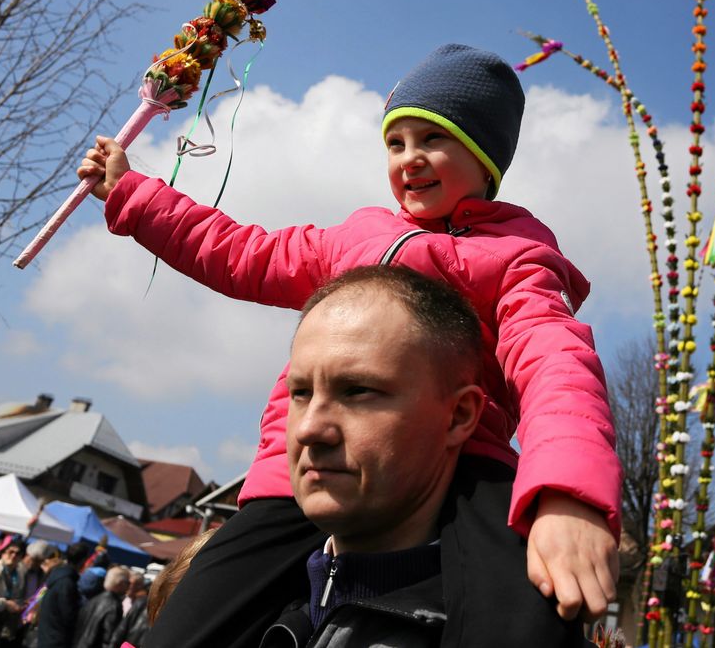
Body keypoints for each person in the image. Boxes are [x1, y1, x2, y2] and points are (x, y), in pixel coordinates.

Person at [78, 43, 620, 647]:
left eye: (432, 139)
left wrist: (566, 494)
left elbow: (555, 364)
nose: (410, 159)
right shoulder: (356, 236)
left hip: (466, 465)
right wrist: (134, 195)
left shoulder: (516, 257)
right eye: (396, 142)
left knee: (526, 598)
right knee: (193, 616)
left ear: (485, 157)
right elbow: (242, 252)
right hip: (296, 478)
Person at [260, 265, 586, 646]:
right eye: (300, 393)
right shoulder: (238, 619)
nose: (308, 429)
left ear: (459, 416)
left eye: (358, 391)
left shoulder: (522, 630)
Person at [34, 543, 90, 648]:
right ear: (83, 561)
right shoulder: (67, 583)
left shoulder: (59, 576)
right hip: (56, 641)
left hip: (47, 638)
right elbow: (69, 616)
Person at [72, 567, 127, 648]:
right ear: (120, 583)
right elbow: (109, 640)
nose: (129, 586)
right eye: (127, 582)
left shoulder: (94, 599)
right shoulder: (114, 606)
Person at [108, 574, 148, 648]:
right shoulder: (124, 599)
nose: (127, 586)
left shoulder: (141, 604)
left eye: (130, 584)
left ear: (139, 586)